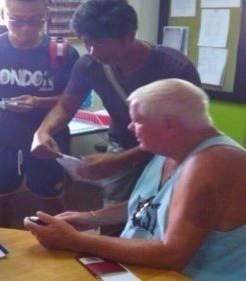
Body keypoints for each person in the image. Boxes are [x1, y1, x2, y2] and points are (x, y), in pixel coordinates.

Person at [25, 79, 246, 281]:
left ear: (170, 125)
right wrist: (90, 219)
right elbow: (150, 203)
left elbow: (172, 254)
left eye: (138, 120)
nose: (131, 127)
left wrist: (73, 240)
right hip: (142, 269)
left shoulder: (212, 163)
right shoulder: (169, 148)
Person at [31, 0, 201, 208]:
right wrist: (42, 132)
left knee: (163, 211)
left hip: (169, 152)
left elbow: (185, 133)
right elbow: (66, 106)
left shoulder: (175, 69)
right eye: (86, 42)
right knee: (114, 212)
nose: (92, 51)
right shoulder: (89, 65)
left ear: (129, 36)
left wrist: (120, 160)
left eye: (100, 43)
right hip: (122, 144)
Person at [0, 0, 79, 200]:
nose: (26, 28)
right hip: (1, 139)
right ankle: (1, 233)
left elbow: (73, 99)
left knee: (51, 199)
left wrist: (37, 101)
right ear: (3, 15)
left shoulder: (63, 53)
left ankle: (53, 232)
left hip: (48, 139)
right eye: (16, 21)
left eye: (36, 20)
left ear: (47, 15)